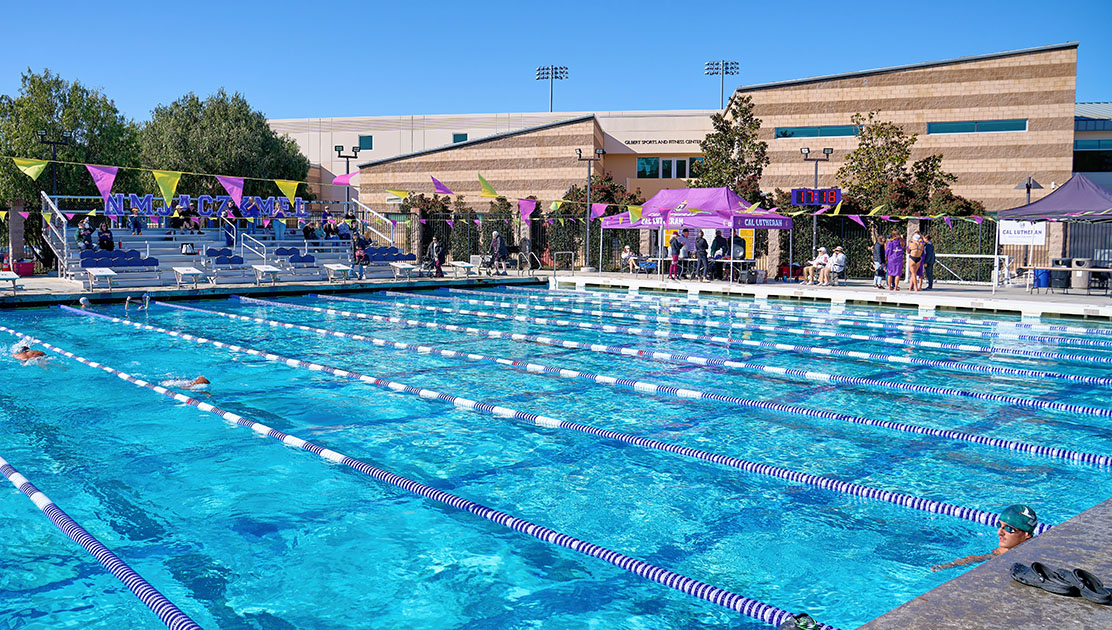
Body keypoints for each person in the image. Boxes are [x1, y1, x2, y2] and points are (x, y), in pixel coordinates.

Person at [932, 504, 1038, 571]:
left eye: (1009, 529)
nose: (999, 532)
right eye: (999, 525)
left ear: (1026, 535)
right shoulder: (1003, 551)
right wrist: (950, 564)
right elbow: (979, 558)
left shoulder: (1035, 554)